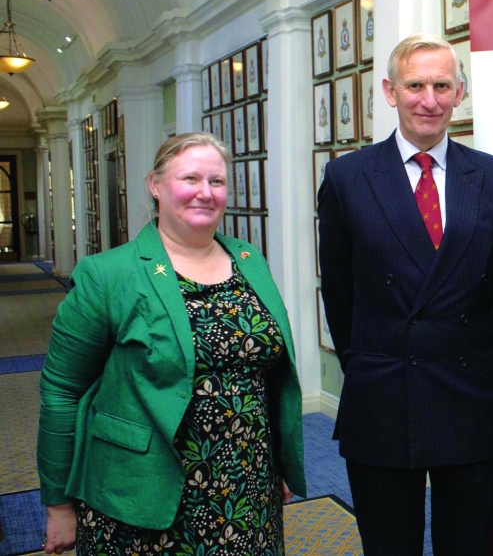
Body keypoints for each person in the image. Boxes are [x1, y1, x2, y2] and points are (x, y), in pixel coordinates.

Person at [38, 132, 306, 555]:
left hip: (247, 486)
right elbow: (61, 392)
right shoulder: (108, 275)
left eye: (216, 182)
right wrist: (58, 504)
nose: (205, 192)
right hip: (143, 493)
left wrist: (284, 461)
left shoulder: (250, 261)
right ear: (156, 185)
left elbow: (270, 377)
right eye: (190, 179)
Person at [317, 33, 493, 555]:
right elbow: (339, 290)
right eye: (415, 86)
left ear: (459, 93)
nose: (429, 100)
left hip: (468, 392)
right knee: (389, 546)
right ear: (389, 91)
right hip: (382, 391)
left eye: (442, 86)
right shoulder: (347, 177)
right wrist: (367, 362)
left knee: (469, 545)